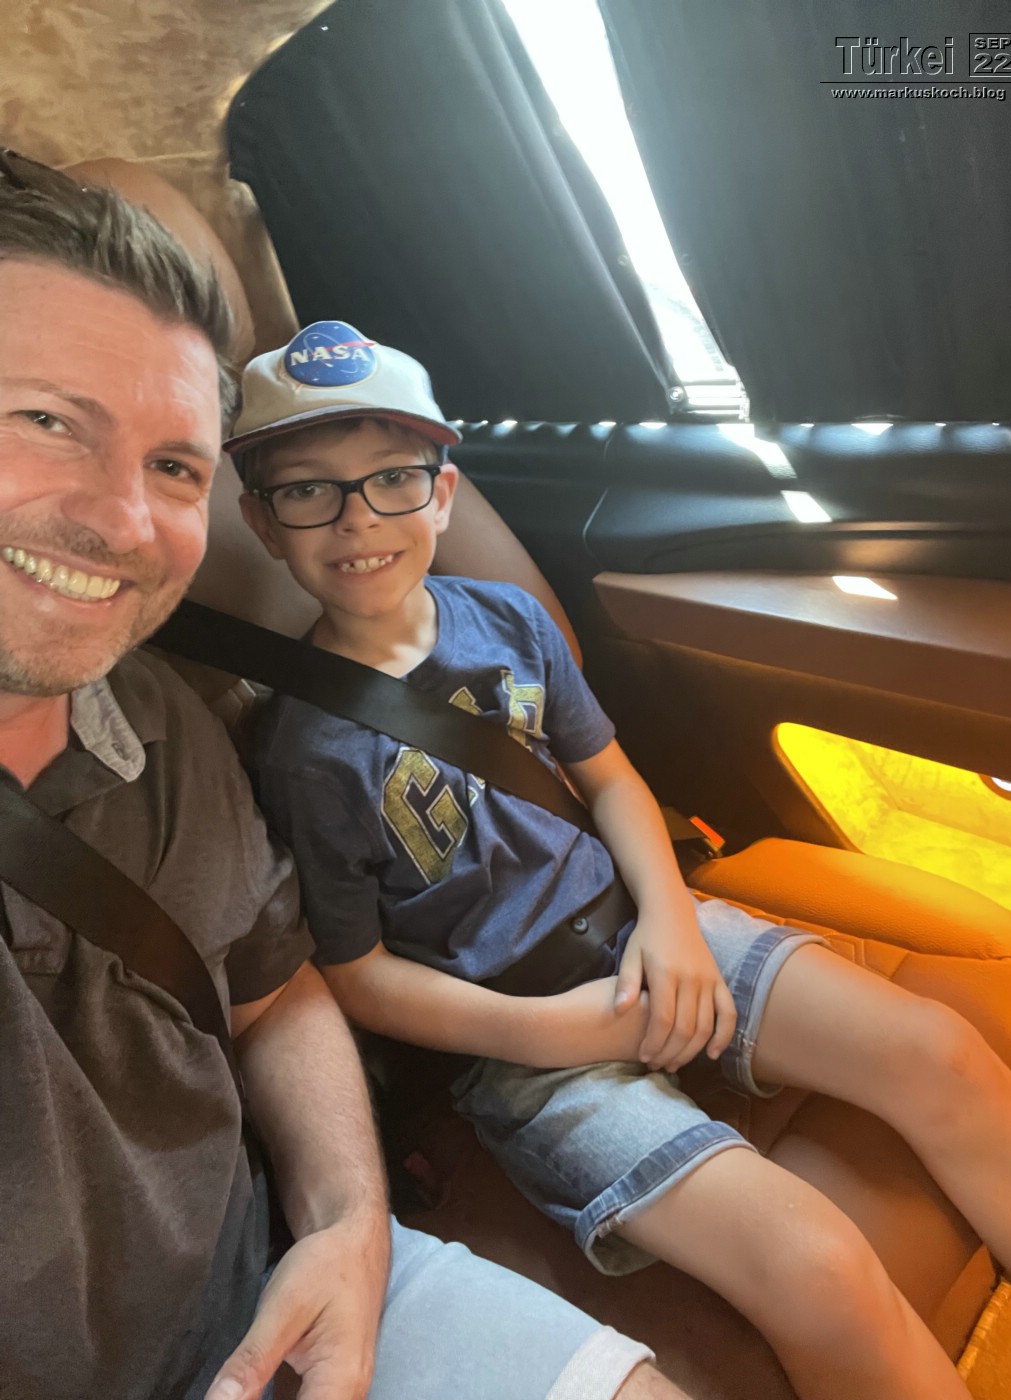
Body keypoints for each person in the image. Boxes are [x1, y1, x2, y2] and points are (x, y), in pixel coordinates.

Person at [235, 319, 1011, 1400]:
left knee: (940, 1051)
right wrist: (557, 1031)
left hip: (643, 928)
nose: (358, 518)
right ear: (262, 519)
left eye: (393, 478)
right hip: (534, 1053)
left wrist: (671, 925)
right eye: (309, 491)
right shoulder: (302, 749)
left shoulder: (510, 622)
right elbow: (353, 974)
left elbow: (614, 780)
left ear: (443, 492)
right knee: (816, 1263)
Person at [0, 152, 694, 1400]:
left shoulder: (158, 727)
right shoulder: (298, 749)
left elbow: (274, 993)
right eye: (47, 420)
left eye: (175, 465)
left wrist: (346, 1218)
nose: (126, 521)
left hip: (282, 1283)